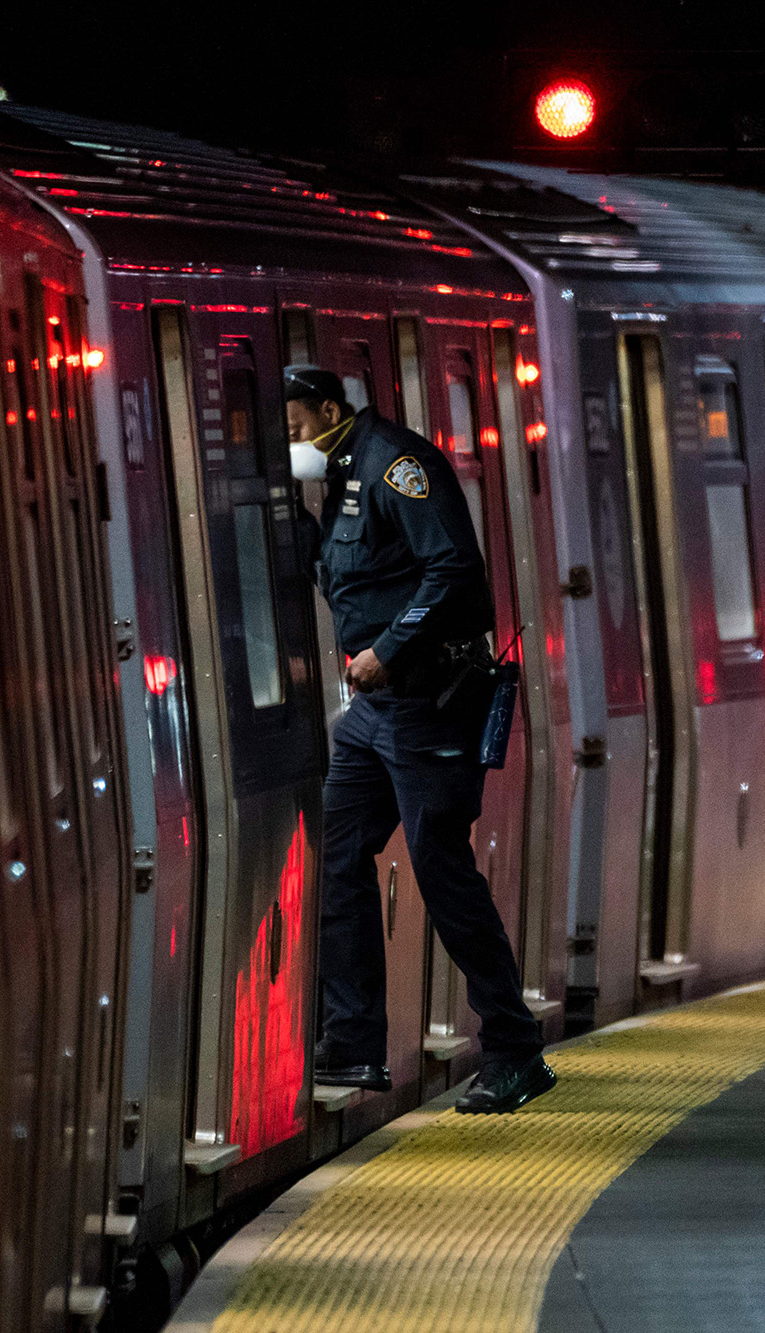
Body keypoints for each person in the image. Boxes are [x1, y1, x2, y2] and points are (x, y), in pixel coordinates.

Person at [284, 363, 556, 1115]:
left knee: (440, 868)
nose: (292, 440)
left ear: (329, 410)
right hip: (376, 712)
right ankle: (352, 1040)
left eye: (296, 424)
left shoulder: (396, 466)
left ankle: (514, 1050)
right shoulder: (342, 474)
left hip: (431, 700)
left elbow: (453, 568)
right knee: (339, 850)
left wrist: (389, 648)